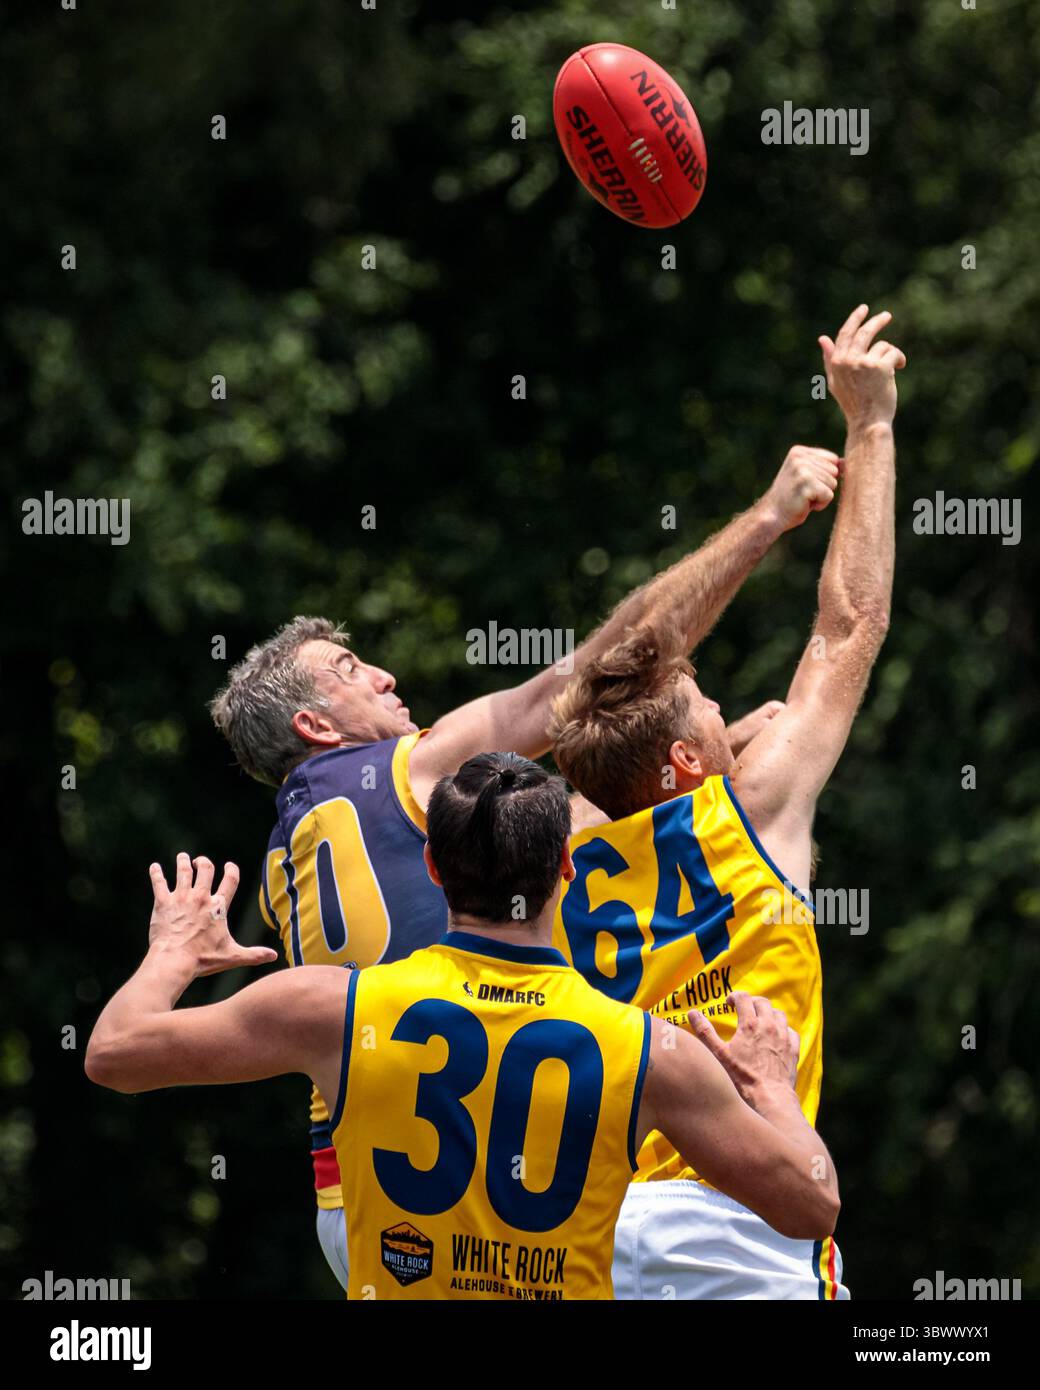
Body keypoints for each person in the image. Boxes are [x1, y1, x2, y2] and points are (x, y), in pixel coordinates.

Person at [207, 443, 841, 1285]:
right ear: (317, 727)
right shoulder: (411, 770)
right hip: (471, 1166)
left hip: (352, 1191)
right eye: (352, 671)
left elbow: (558, 827)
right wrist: (768, 518)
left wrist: (732, 746)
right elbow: (590, 678)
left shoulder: (291, 852)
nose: (387, 675)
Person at [85, 753, 839, 1300]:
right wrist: (770, 1088)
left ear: (436, 868)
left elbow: (113, 1055)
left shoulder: (335, 1009)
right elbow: (811, 1207)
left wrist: (172, 952)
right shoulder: (649, 1051)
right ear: (567, 871)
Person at [549, 304, 904, 1299]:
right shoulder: (751, 815)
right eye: (702, 706)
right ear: (678, 767)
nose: (721, 707)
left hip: (600, 1231)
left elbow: (594, 684)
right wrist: (867, 426)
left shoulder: (552, 845)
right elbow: (849, 623)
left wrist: (758, 526)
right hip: (744, 1225)